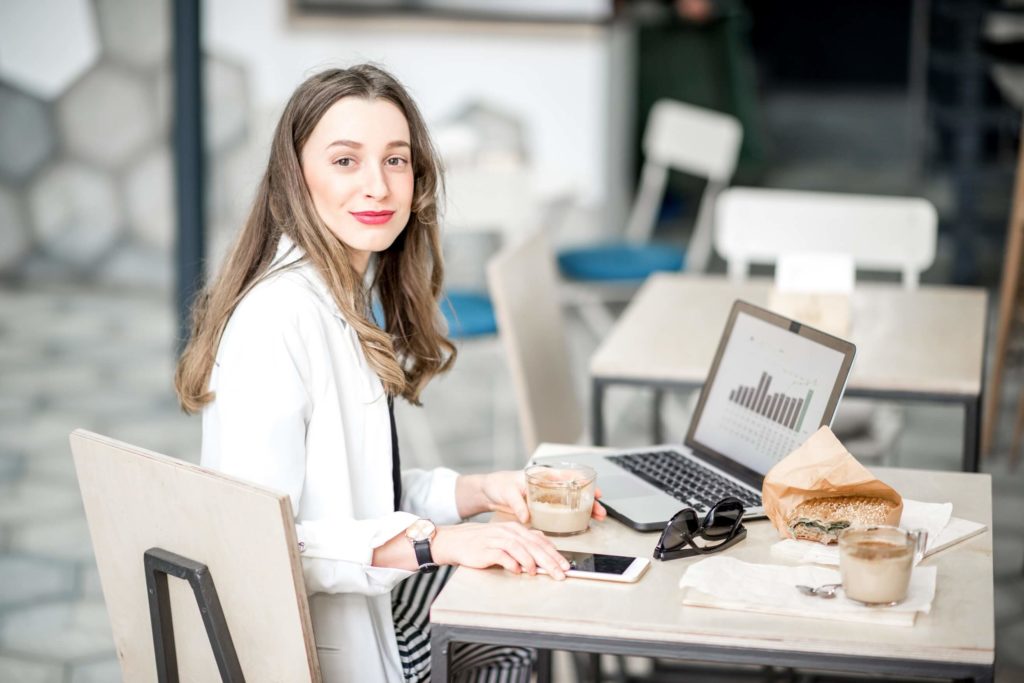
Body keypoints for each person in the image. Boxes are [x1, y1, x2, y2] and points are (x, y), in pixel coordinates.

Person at [173, 64, 605, 682]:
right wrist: (435, 543)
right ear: (295, 178)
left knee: (529, 591)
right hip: (314, 646)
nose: (377, 185)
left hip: (363, 600)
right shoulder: (276, 320)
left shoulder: (339, 293)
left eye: (395, 160)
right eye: (345, 160)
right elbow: (260, 543)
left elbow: (362, 490)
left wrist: (481, 491)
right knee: (519, 627)